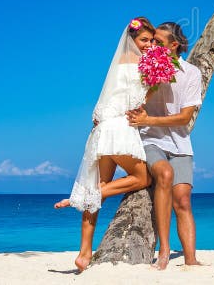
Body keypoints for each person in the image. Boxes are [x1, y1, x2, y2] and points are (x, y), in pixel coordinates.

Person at [54, 17, 155, 272]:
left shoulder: (117, 65)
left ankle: (83, 253)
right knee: (142, 178)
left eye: (151, 40)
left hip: (102, 130)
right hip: (119, 129)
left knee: (99, 185)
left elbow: (107, 100)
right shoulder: (142, 65)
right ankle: (90, 195)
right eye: (144, 40)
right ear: (132, 40)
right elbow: (140, 98)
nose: (148, 45)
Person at [127, 22, 202, 270]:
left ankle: (191, 260)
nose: (153, 46)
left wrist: (150, 118)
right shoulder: (143, 68)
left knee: (182, 200)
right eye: (151, 41)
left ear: (174, 45)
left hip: (180, 143)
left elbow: (184, 117)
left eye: (159, 42)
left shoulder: (191, 73)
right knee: (165, 174)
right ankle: (164, 249)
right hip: (150, 138)